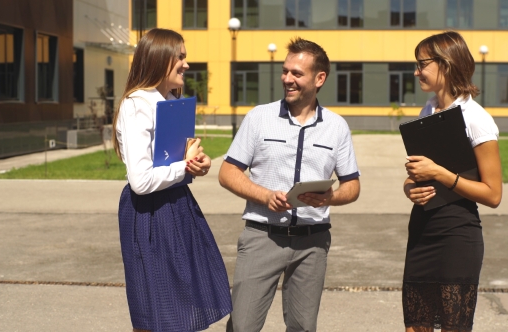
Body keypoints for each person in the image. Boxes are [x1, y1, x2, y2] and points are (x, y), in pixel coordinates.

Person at [219, 37, 361, 332]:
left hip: (313, 242)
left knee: (303, 327)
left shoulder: (337, 127)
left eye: (297, 73)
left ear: (319, 78)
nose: (287, 79)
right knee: (243, 326)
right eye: (285, 71)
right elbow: (228, 172)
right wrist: (265, 195)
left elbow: (353, 185)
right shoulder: (259, 117)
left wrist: (329, 198)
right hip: (262, 237)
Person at [112, 28, 231, 332]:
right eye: (181, 56)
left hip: (175, 206)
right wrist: (185, 168)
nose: (186, 64)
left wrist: (197, 163)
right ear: (160, 58)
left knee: (180, 306)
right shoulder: (137, 104)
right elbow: (140, 181)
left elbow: (175, 158)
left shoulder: (169, 100)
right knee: (155, 310)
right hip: (150, 214)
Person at [402, 31, 502, 332]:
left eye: (422, 64)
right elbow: (415, 175)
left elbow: (493, 194)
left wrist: (441, 174)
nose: (416, 71)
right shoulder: (428, 111)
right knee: (415, 325)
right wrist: (410, 189)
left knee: (452, 327)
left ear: (445, 65)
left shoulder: (476, 118)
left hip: (457, 235)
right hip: (422, 231)